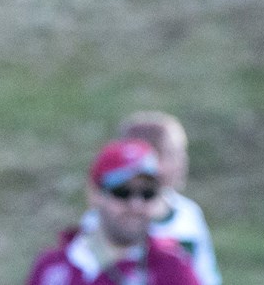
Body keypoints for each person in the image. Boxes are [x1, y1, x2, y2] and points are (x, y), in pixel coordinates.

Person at [25, 138, 202, 285]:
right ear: (95, 194)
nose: (136, 205)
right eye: (122, 192)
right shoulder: (52, 267)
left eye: (147, 193)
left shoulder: (173, 269)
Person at [78, 112, 220, 285]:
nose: (182, 162)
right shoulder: (102, 220)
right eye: (171, 154)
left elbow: (206, 275)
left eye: (182, 153)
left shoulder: (189, 213)